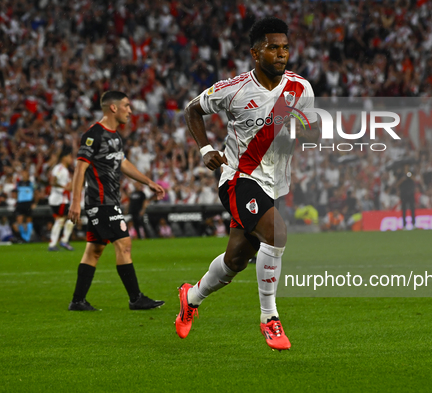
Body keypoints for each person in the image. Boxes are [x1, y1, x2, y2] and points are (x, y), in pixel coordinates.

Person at [175, 17, 319, 351]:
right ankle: (269, 317)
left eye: (284, 47)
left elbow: (310, 131)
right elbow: (192, 110)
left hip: (273, 184)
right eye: (272, 48)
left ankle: (191, 296)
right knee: (276, 234)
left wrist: (304, 129)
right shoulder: (234, 89)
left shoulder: (301, 88)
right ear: (256, 53)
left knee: (235, 261)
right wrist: (206, 148)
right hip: (238, 178)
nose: (281, 54)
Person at [67, 90, 166, 311]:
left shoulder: (115, 137)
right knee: (124, 244)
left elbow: (123, 163)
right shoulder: (94, 135)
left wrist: (148, 181)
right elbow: (79, 169)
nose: (130, 111)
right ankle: (136, 298)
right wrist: (75, 202)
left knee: (94, 250)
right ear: (113, 108)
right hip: (100, 202)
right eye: (126, 106)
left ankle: (77, 301)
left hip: (109, 200)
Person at [48, 148, 76, 251]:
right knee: (63, 219)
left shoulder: (65, 170)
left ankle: (60, 242)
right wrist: (65, 188)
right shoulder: (59, 169)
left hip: (63, 199)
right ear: (64, 158)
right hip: (58, 199)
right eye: (69, 157)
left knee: (68, 219)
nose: (71, 159)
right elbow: (53, 181)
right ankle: (57, 243)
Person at [396, 165, 416, 229]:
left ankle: (414, 224)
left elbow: (415, 179)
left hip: (410, 193)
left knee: (412, 209)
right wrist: (402, 180)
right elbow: (397, 184)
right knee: (404, 209)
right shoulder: (400, 174)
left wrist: (408, 174)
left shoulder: (410, 173)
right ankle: (404, 225)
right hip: (403, 193)